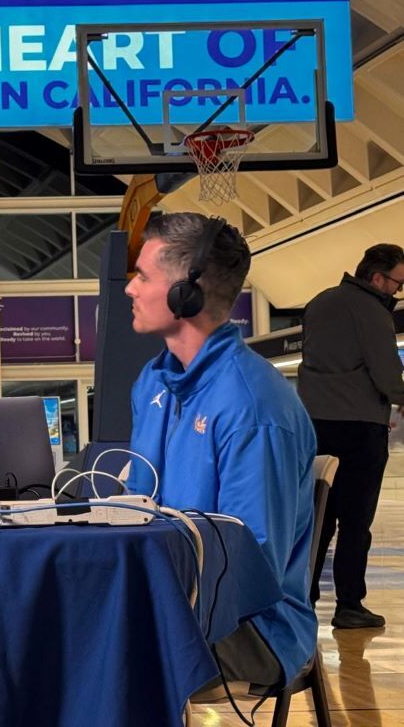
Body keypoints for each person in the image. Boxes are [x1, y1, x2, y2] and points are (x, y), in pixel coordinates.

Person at [123, 213, 316, 688]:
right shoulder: (155, 383)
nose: (130, 288)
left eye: (144, 276)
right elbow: (132, 510)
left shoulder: (252, 409)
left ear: (183, 294)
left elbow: (247, 569)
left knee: (88, 648)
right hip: (168, 597)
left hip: (253, 627)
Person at [299, 244, 404, 629]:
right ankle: (349, 605)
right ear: (378, 278)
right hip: (359, 430)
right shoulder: (373, 313)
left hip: (315, 428)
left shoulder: (319, 303)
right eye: (398, 283)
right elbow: (388, 374)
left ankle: (302, 596)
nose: (397, 292)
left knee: (318, 518)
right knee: (355, 522)